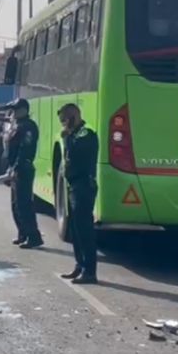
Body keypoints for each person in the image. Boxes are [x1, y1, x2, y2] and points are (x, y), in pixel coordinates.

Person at [57, 103, 99, 284]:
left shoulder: (86, 134)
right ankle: (79, 265)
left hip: (83, 186)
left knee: (84, 230)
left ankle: (89, 271)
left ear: (73, 117)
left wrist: (67, 138)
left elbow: (77, 153)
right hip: (74, 185)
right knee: (74, 229)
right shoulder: (74, 135)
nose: (63, 125)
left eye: (64, 120)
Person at [3, 98, 43, 249]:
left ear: (24, 110)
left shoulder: (28, 127)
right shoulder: (16, 125)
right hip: (14, 168)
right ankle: (23, 233)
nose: (13, 112)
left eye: (16, 109)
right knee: (15, 205)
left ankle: (34, 236)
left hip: (23, 169)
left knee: (24, 204)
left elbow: (25, 149)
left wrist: (15, 168)